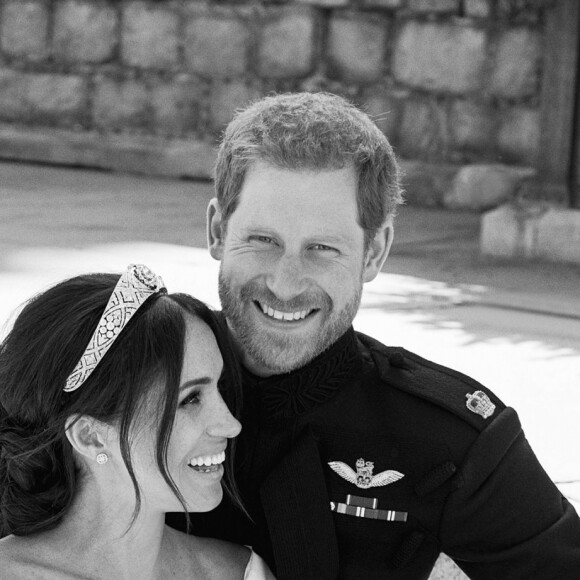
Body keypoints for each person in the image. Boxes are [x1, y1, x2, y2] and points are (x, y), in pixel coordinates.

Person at [167, 92, 580, 579]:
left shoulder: (448, 439)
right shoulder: (131, 381)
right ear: (217, 229)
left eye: (323, 248)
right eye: (263, 240)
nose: (285, 282)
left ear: (374, 252)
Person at [0, 264, 275, 579]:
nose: (231, 425)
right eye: (190, 399)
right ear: (90, 436)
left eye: (219, 388)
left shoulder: (241, 574)